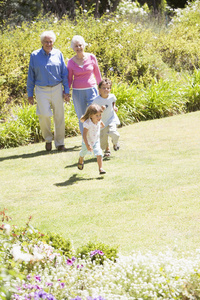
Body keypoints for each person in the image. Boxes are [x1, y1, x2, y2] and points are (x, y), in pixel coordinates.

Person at [27, 30, 70, 152]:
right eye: (46, 41)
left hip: (57, 88)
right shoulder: (34, 55)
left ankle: (60, 143)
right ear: (42, 42)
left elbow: (64, 73)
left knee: (59, 116)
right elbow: (31, 76)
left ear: (53, 42)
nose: (48, 44)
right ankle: (48, 139)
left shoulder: (58, 54)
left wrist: (66, 91)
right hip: (41, 89)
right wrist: (30, 94)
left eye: (50, 41)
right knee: (44, 114)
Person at [67, 35, 102, 135]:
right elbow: (69, 79)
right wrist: (66, 92)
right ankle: (85, 140)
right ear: (73, 48)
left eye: (80, 45)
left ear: (84, 46)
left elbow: (97, 74)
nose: (78, 48)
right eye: (76, 46)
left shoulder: (91, 57)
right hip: (78, 92)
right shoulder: (70, 62)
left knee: (95, 113)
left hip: (91, 90)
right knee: (82, 116)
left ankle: (95, 137)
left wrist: (100, 88)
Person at [93, 78, 120, 157]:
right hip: (102, 122)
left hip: (111, 119)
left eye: (108, 88)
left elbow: (113, 101)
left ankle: (115, 143)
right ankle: (107, 149)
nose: (106, 90)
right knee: (103, 140)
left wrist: (114, 107)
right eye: (104, 88)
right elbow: (94, 110)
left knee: (113, 132)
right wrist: (101, 110)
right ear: (99, 89)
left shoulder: (112, 96)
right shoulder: (96, 100)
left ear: (110, 89)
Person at [78, 104, 106, 175]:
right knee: (83, 153)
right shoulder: (87, 123)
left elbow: (103, 125)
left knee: (99, 153)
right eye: (97, 115)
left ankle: (100, 168)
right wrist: (87, 145)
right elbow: (84, 135)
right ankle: (81, 159)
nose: (99, 117)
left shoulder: (99, 120)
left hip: (95, 141)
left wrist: (101, 123)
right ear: (90, 116)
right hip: (87, 142)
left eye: (100, 115)